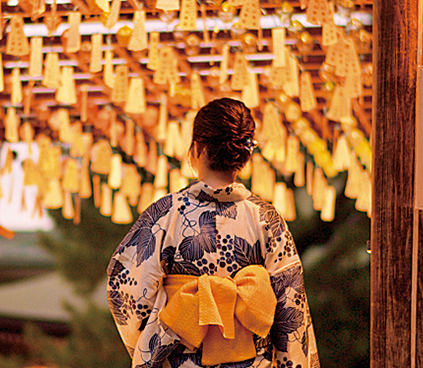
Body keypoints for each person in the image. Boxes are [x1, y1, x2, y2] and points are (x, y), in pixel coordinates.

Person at [107, 97, 319, 368]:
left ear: (196, 148)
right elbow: (292, 309)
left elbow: (125, 289)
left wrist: (162, 333)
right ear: (243, 154)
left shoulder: (164, 214)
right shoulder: (267, 219)